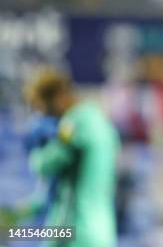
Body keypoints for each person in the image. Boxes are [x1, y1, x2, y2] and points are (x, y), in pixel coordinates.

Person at [21, 68, 120, 247]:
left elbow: (43, 165)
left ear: (58, 98)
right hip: (103, 233)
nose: (43, 116)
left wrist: (35, 152)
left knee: (11, 235)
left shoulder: (73, 123)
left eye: (43, 108)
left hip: (75, 231)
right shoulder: (102, 122)